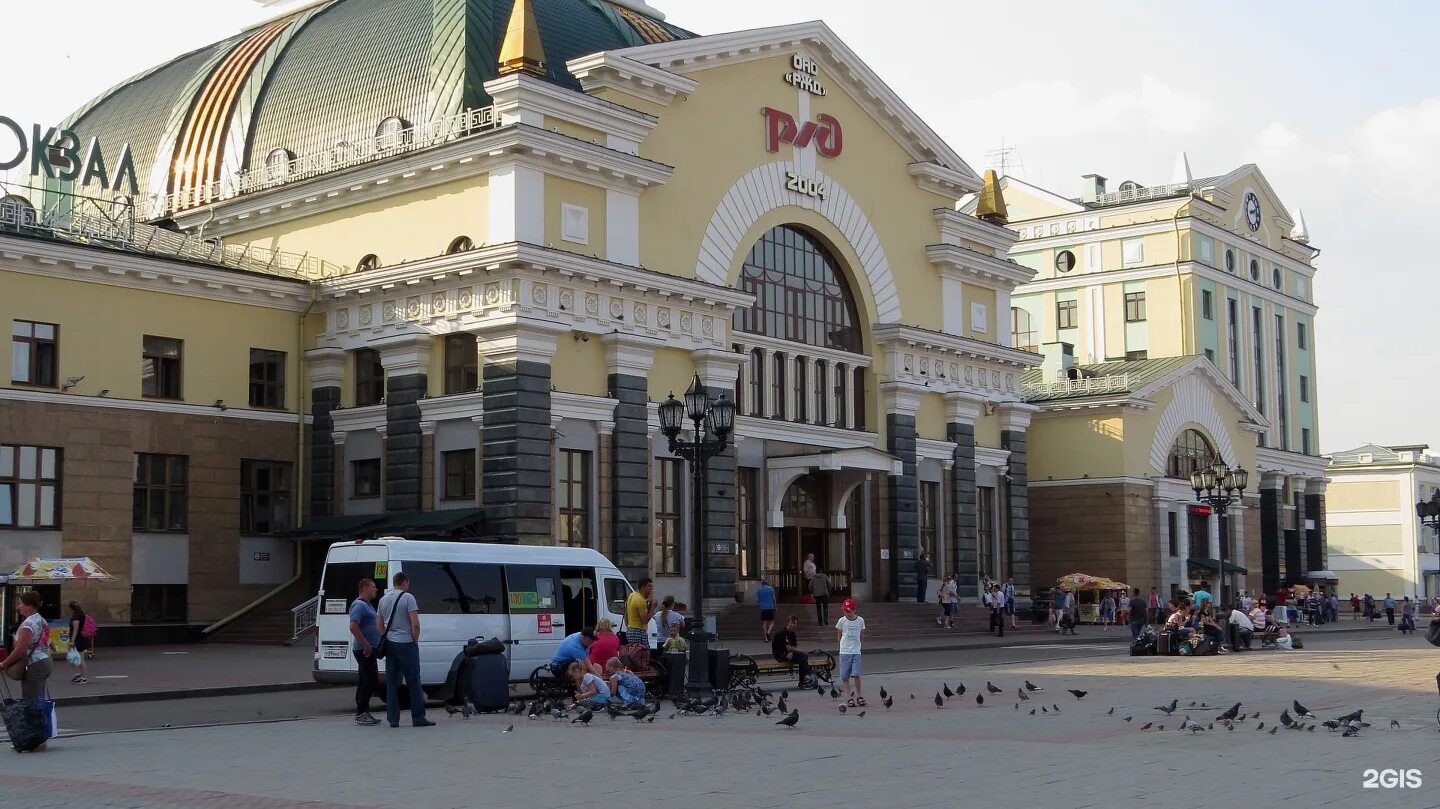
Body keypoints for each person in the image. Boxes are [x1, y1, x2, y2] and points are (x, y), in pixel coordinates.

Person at [377, 572, 432, 728]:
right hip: (407, 644)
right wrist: (414, 640)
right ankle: (418, 717)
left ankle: (393, 719)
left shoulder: (383, 599)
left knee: (392, 682)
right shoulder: (408, 598)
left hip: (390, 645)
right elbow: (415, 624)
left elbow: (379, 625)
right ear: (405, 582)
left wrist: (386, 637)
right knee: (413, 681)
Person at [1, 591, 53, 704]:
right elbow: (48, 641)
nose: (18, 606)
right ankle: (42, 720)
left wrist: (3, 664)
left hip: (34, 664)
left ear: (28, 605)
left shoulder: (28, 624)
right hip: (45, 660)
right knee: (38, 699)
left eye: (20, 603)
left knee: (31, 702)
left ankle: (37, 721)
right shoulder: (41, 619)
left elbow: (20, 650)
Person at [347, 578, 382, 726]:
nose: (376, 590)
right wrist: (366, 644)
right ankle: (361, 712)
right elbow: (353, 626)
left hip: (368, 649)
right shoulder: (359, 606)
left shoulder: (368, 605)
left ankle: (362, 712)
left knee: (364, 680)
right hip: (364, 650)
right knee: (371, 680)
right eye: (374, 587)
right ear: (365, 588)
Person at [834, 598, 865, 707]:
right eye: (844, 610)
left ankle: (859, 695)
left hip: (856, 651)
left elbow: (861, 634)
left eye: (848, 610)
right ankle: (849, 698)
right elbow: (839, 634)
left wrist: (858, 645)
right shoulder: (842, 621)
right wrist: (842, 646)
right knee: (845, 676)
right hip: (845, 652)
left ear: (853, 610)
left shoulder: (860, 621)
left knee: (856, 674)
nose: (846, 613)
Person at [771, 615, 814, 688]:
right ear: (788, 623)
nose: (793, 625)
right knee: (802, 655)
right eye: (792, 623)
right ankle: (805, 678)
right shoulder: (782, 633)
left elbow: (794, 647)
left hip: (789, 654)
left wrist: (792, 653)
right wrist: (799, 651)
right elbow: (787, 647)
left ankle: (804, 679)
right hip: (780, 655)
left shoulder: (792, 634)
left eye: (795, 623)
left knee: (803, 657)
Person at [625, 578, 656, 647]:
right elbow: (645, 620)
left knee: (633, 654)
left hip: (631, 630)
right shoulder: (640, 600)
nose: (651, 589)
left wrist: (628, 626)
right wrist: (653, 607)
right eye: (649, 586)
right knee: (643, 654)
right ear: (642, 587)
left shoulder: (632, 595)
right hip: (639, 631)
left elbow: (626, 613)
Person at [67, 601, 90, 685]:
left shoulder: (76, 617)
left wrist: (72, 641)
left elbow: (75, 630)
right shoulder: (81, 614)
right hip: (81, 638)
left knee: (80, 659)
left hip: (78, 640)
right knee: (78, 658)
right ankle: (79, 676)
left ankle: (83, 678)